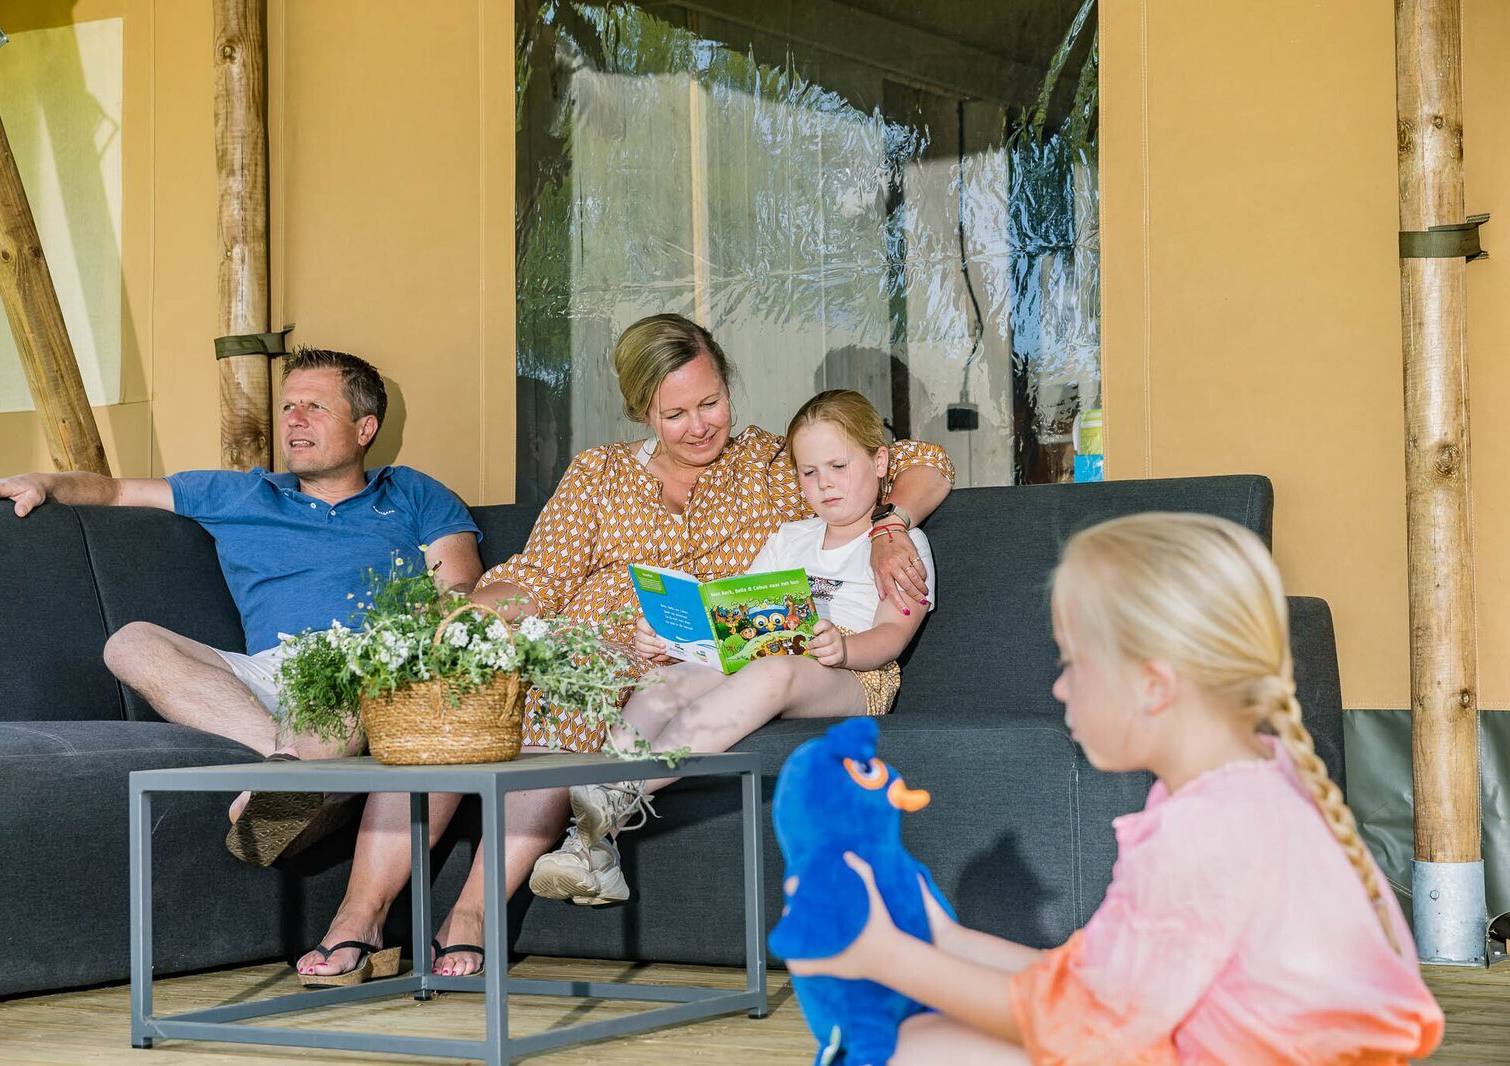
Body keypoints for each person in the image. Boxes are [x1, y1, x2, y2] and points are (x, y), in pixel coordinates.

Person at [298, 314, 954, 983]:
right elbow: (537, 578)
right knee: (453, 695)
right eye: (675, 414)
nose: (700, 426)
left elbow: (921, 461)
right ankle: (358, 918)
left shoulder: (773, 463)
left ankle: (471, 914)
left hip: (672, 661)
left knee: (562, 703)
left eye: (711, 403)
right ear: (640, 409)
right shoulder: (599, 474)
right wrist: (466, 624)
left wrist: (890, 526)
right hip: (575, 642)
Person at [785, 512, 1444, 1064]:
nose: (1059, 687)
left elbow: (1086, 1022)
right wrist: (945, 939)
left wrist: (881, 952)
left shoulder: (1207, 832)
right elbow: (1097, 978)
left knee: (915, 1050)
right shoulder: (1244, 786)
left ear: (1155, 685)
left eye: (1072, 662)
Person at [0, 347, 484, 867]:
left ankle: (301, 783)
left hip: (371, 665)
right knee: (131, 642)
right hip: (267, 672)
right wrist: (44, 483)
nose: (293, 420)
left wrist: (399, 653)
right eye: (287, 407)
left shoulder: (414, 492)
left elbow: (459, 588)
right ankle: (294, 776)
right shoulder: (240, 495)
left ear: (365, 428)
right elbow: (115, 490)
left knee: (343, 689)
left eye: (314, 407)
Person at [528, 388, 935, 905]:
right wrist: (678, 638)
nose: (824, 484)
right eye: (809, 473)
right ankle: (591, 846)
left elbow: (894, 636)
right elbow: (737, 617)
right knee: (667, 679)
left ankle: (620, 789)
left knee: (775, 672)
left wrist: (845, 650)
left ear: (880, 463)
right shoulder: (790, 537)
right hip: (772, 652)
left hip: (856, 674)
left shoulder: (901, 545)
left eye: (838, 465)